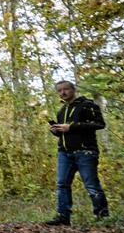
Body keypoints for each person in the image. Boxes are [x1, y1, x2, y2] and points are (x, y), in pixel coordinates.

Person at [45, 79, 109, 225]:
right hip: (64, 152)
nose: (63, 93)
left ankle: (102, 217)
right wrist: (56, 131)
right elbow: (65, 132)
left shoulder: (87, 105)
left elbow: (99, 124)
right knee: (62, 184)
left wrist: (71, 127)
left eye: (65, 89)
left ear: (73, 90)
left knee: (91, 184)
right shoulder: (61, 111)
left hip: (85, 151)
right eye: (59, 91)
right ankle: (63, 216)